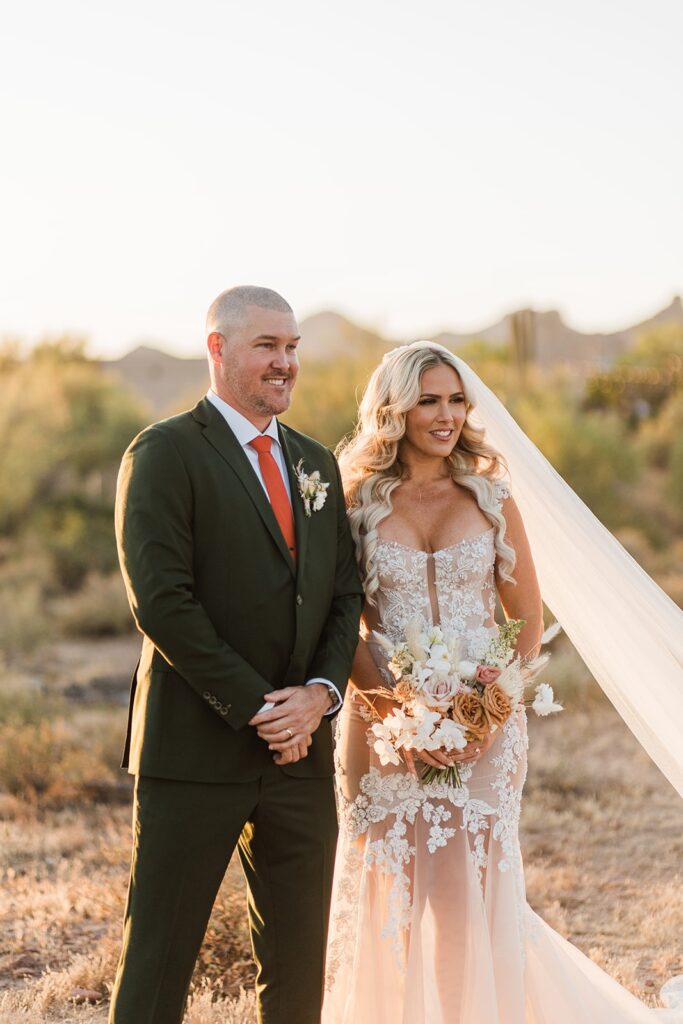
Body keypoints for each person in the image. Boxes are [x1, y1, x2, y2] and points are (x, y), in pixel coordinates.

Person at [322, 341, 683, 1023]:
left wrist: (478, 715)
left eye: (455, 399)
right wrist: (399, 715)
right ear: (393, 407)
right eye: (428, 399)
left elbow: (522, 619)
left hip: (484, 727)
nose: (446, 414)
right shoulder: (354, 502)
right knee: (388, 899)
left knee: (466, 902)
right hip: (380, 727)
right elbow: (346, 628)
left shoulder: (489, 495)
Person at [109, 285, 363, 1024]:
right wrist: (259, 707)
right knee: (159, 962)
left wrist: (319, 695)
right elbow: (160, 601)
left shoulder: (316, 461)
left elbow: (343, 595)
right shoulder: (164, 453)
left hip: (300, 758)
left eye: (292, 349)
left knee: (295, 970)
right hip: (195, 752)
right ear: (217, 349)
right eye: (267, 347)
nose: (285, 363)